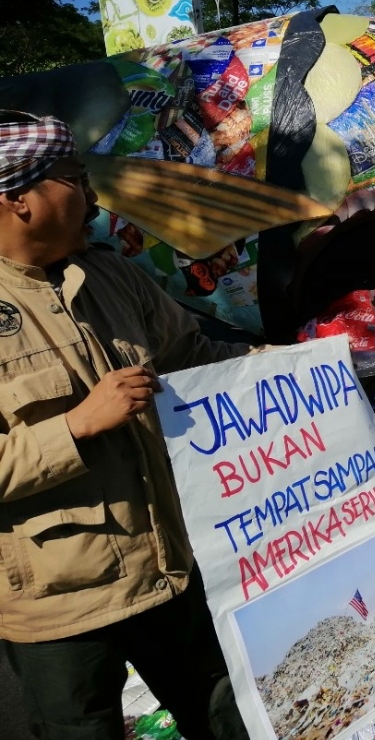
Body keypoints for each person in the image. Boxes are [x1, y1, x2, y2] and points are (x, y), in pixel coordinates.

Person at [0, 111, 254, 740]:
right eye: (74, 179)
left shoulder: (111, 274)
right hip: (58, 613)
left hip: (171, 572)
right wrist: (77, 426)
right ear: (17, 199)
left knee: (232, 720)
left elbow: (194, 359)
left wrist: (298, 362)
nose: (91, 198)